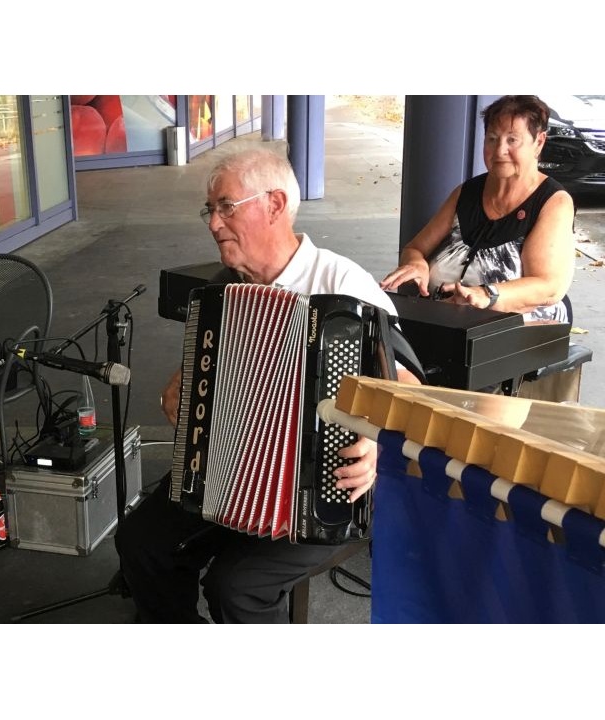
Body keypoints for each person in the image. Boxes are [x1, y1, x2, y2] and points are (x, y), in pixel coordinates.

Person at [114, 145, 419, 623]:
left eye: (225, 207)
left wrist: (381, 445)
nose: (213, 224)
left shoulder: (345, 288)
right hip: (229, 471)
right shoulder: (224, 290)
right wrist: (184, 383)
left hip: (328, 489)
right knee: (140, 542)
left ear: (275, 205)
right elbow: (206, 370)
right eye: (209, 210)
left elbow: (410, 390)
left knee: (237, 586)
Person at [380, 95, 575, 323]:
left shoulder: (552, 202)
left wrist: (486, 294)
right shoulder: (467, 192)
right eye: (492, 139)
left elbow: (549, 287)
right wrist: (415, 264)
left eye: (512, 140)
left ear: (539, 142)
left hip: (514, 330)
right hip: (443, 318)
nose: (500, 150)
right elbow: (415, 248)